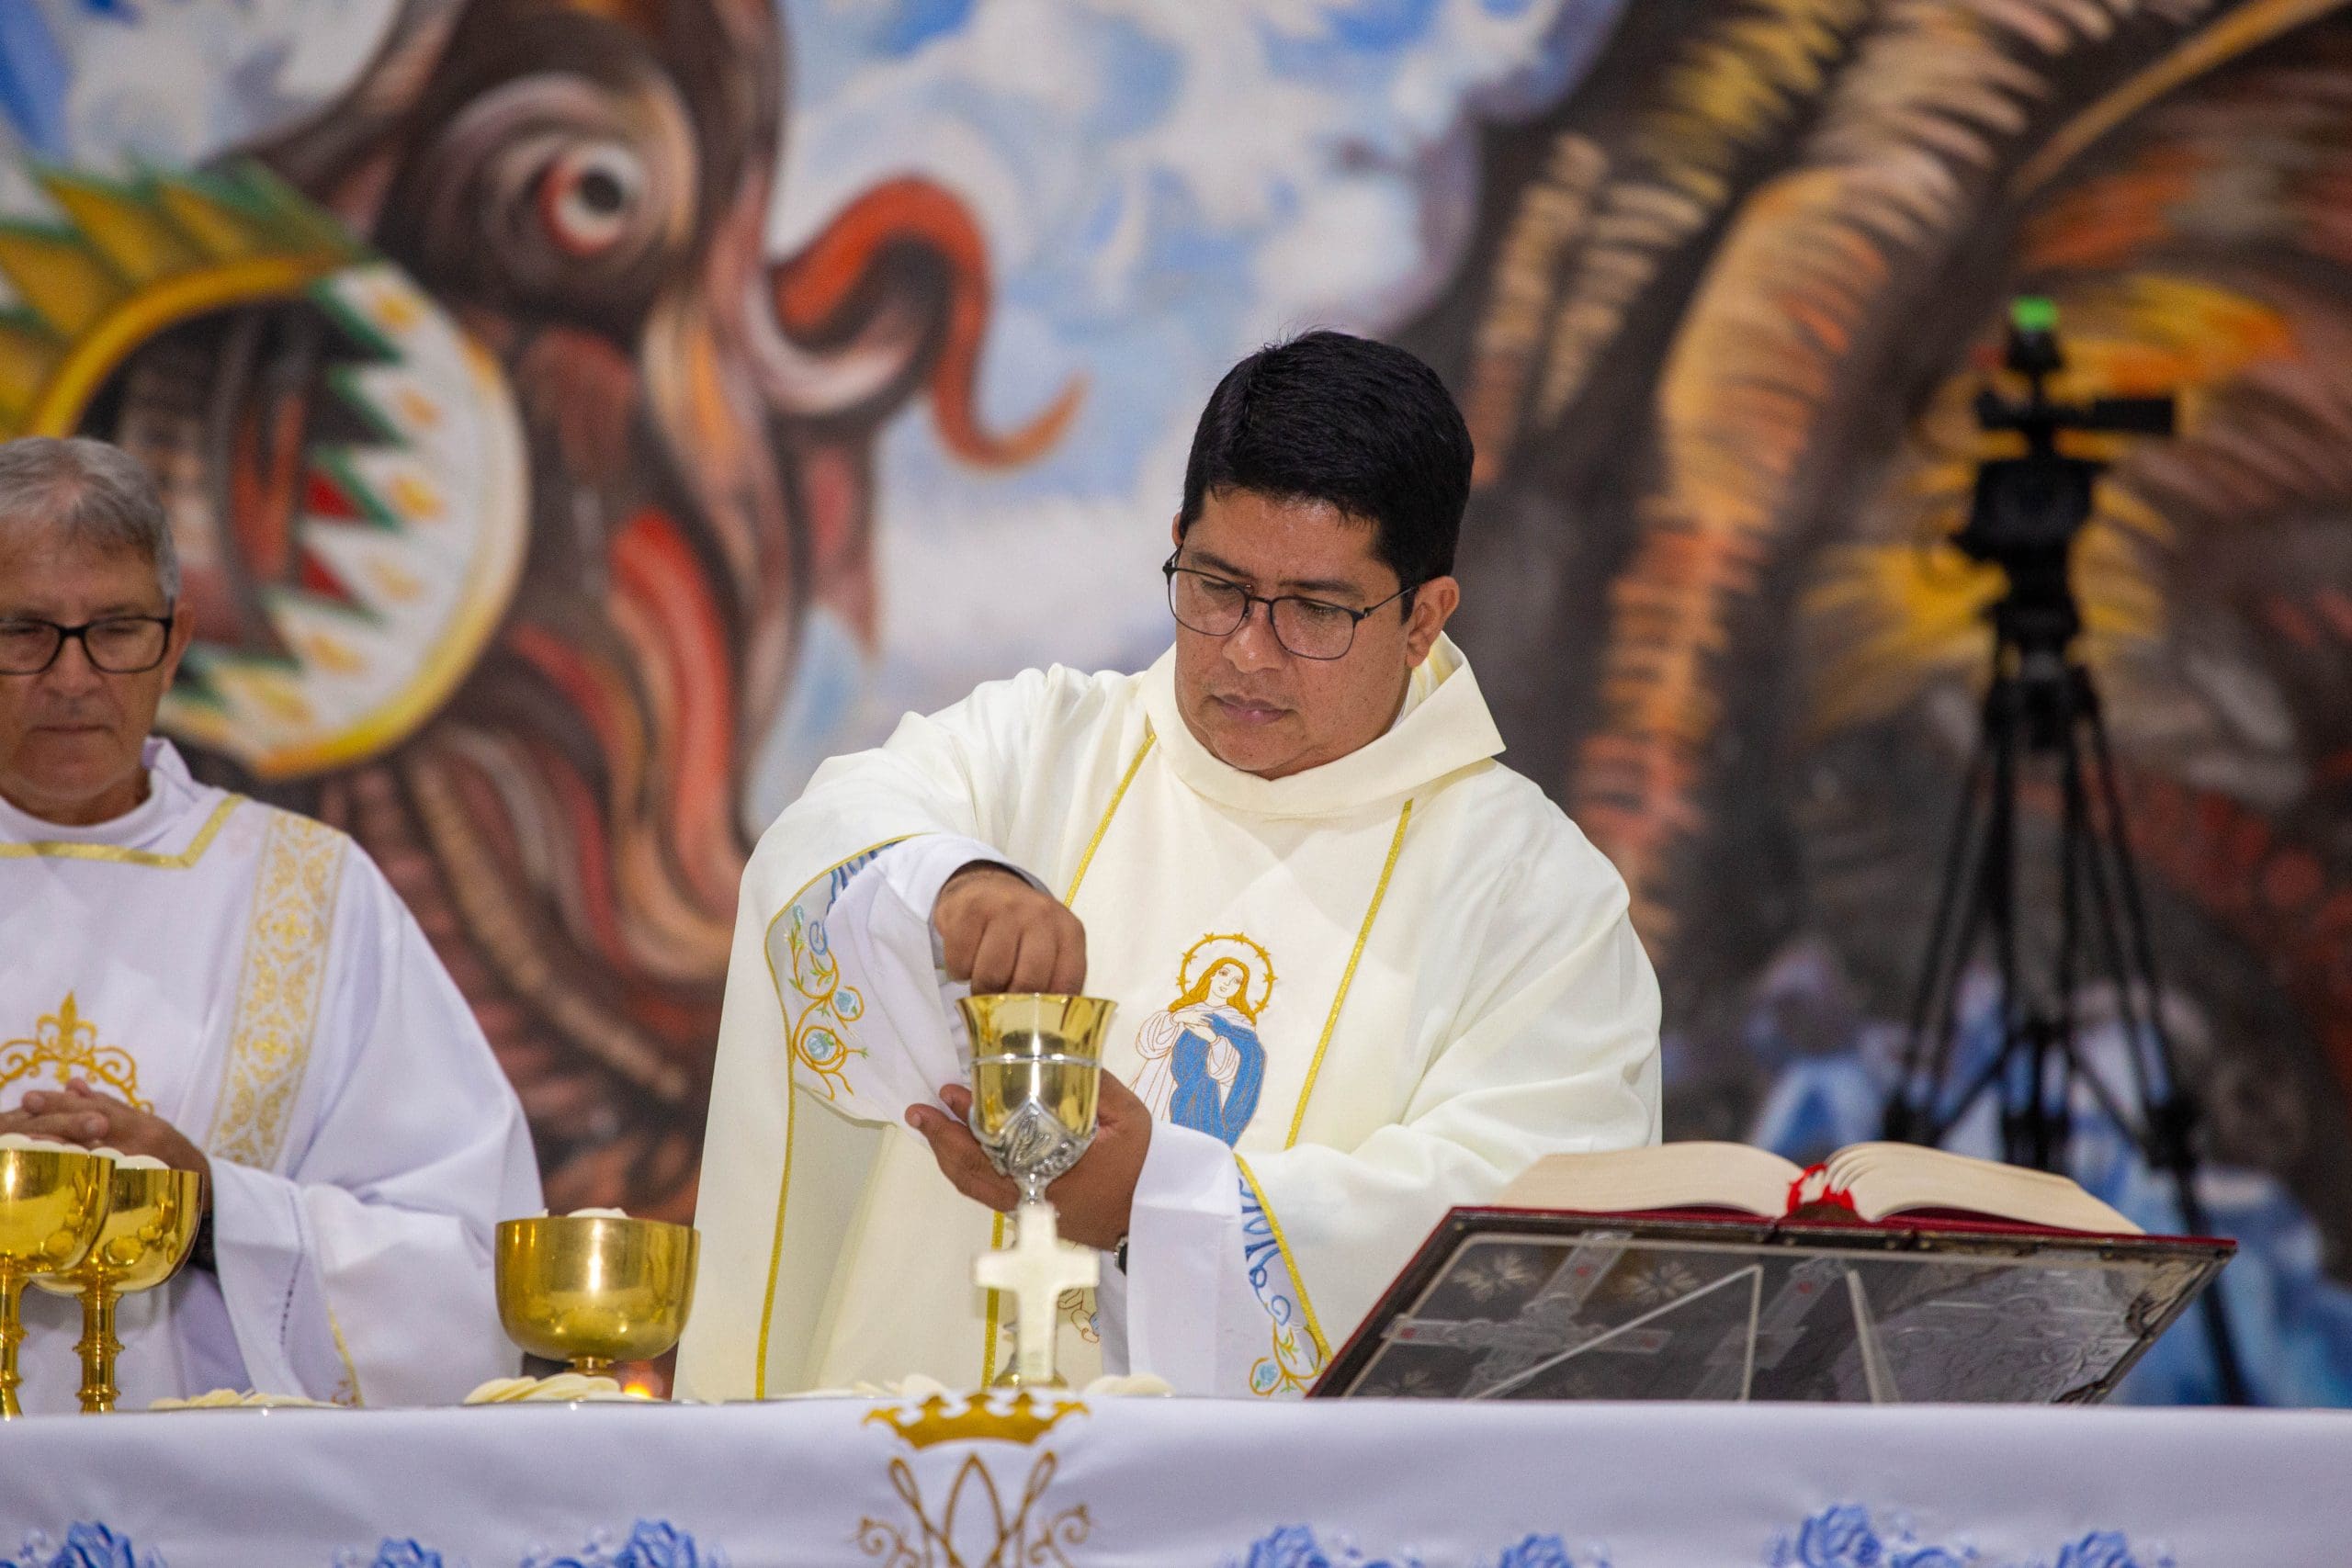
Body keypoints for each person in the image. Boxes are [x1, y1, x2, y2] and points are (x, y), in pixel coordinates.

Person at [678, 332, 1661, 1400]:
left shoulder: (1533, 896)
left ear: (1422, 618)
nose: (1247, 650)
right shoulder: (1040, 747)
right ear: (1177, 544)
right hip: (935, 1475)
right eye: (1216, 586)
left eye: (1315, 611)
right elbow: (827, 839)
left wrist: (1157, 1209)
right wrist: (952, 887)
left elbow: (1526, 1228)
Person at [0, 436, 541, 1413]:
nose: (72, 677)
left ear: (176, 641)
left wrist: (210, 1210)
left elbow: (470, 1270)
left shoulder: (315, 894)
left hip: (212, 1491)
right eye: (24, 631)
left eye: (116, 629)